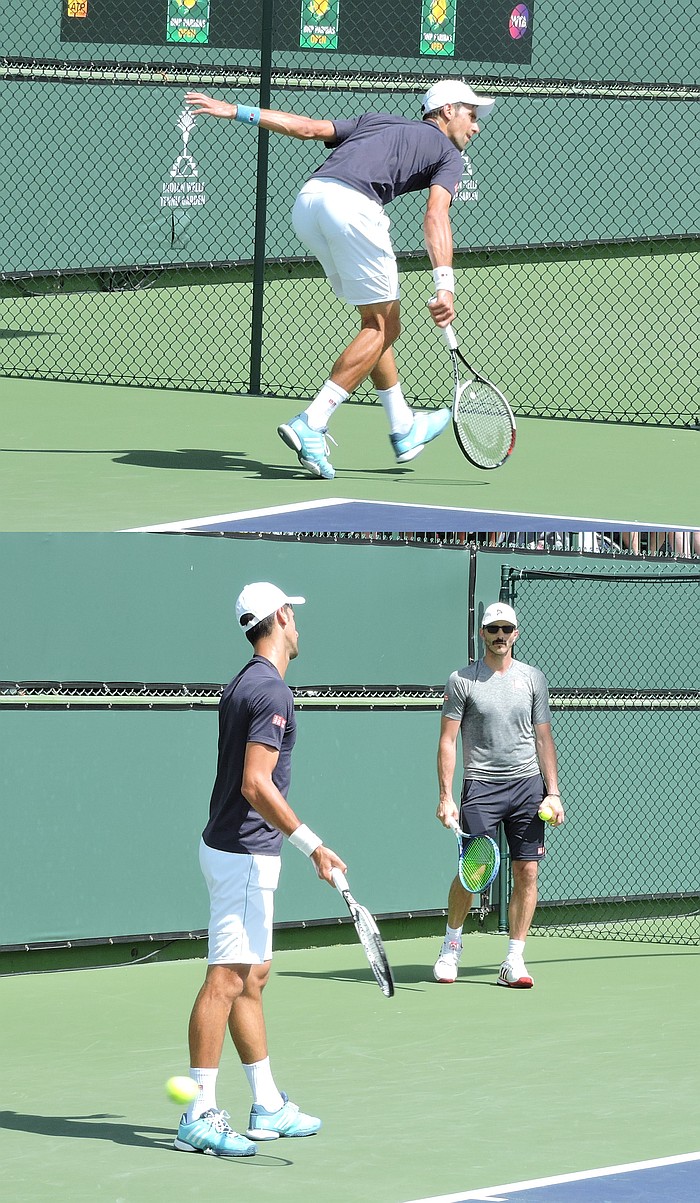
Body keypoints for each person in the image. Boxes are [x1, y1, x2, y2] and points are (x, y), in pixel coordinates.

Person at [185, 79, 495, 479]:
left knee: (378, 322)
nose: (476, 127)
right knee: (384, 326)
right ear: (447, 110)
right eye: (472, 115)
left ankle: (403, 426)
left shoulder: (377, 120)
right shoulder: (449, 156)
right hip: (352, 209)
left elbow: (309, 129)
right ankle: (312, 422)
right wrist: (445, 286)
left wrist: (236, 110)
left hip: (310, 204)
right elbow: (436, 216)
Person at [174, 581, 346, 1157]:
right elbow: (255, 783)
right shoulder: (270, 690)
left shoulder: (245, 683)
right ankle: (198, 1113)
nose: (298, 622)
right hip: (244, 853)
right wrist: (313, 846)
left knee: (253, 976)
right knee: (225, 978)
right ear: (277, 617)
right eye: (292, 613)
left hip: (240, 850)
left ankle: (267, 1104)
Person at [434, 601, 564, 989]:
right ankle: (451, 946)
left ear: (516, 634)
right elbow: (447, 740)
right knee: (472, 873)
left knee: (527, 871)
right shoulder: (462, 680)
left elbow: (543, 737)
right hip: (482, 786)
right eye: (494, 630)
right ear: (482, 634)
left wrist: (553, 791)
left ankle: (513, 959)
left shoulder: (532, 679)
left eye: (507, 630)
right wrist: (445, 796)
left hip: (528, 787)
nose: (500, 636)